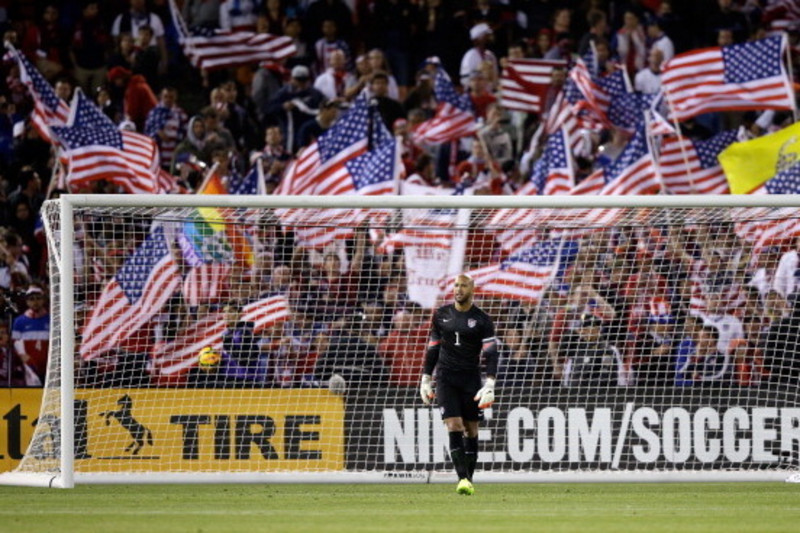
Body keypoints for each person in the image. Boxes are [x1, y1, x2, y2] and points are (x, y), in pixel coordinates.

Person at [419, 273, 498, 495]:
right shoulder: (441, 314)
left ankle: (468, 480)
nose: (458, 289)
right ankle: (462, 479)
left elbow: (491, 353)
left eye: (463, 285)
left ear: (472, 288)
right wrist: (426, 378)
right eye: (455, 285)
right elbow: (433, 347)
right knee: (454, 425)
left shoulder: (482, 319)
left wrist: (490, 383)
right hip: (446, 378)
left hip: (471, 378)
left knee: (472, 431)